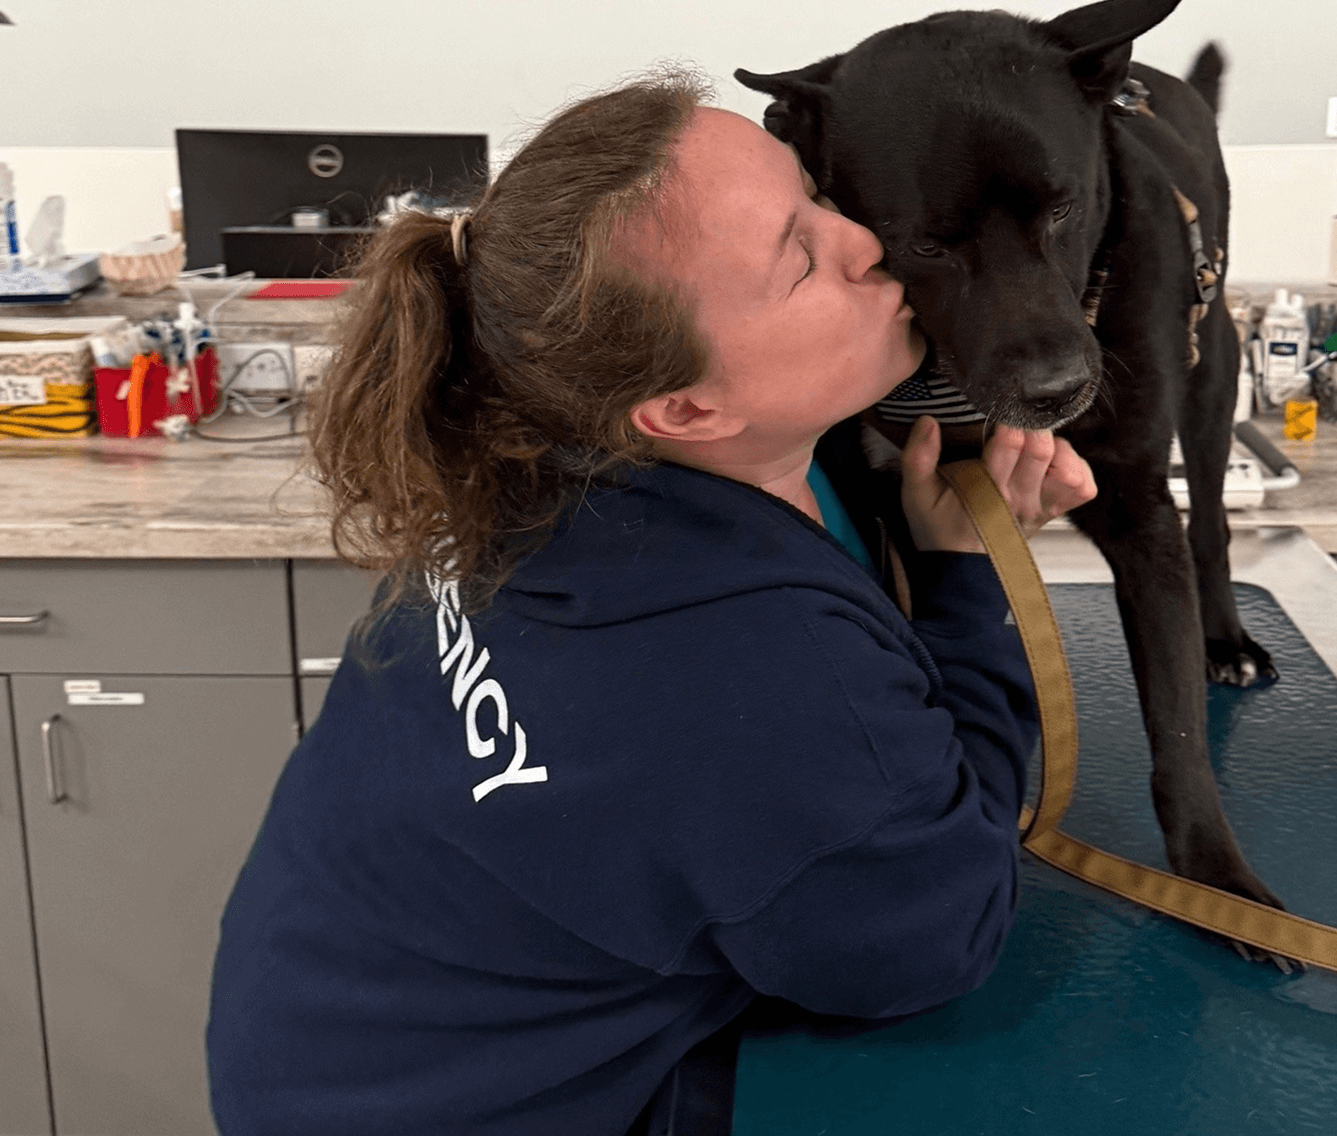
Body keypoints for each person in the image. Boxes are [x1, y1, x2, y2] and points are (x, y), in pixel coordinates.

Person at [206, 69, 1096, 1135]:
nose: (866, 241)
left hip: (317, 1041)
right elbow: (931, 939)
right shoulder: (737, 661)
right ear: (683, 407)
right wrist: (968, 584)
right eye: (801, 258)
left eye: (814, 194)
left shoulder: (534, 467)